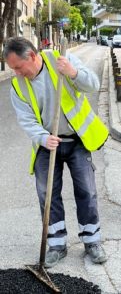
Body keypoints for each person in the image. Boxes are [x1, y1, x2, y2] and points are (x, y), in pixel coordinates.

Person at [3, 37, 109, 267]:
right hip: (47, 143)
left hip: (76, 139)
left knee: (86, 191)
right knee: (48, 195)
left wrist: (72, 73)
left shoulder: (61, 60)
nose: (17, 73)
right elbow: (26, 118)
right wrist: (42, 137)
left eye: (18, 67)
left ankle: (92, 241)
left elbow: (92, 84)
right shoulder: (18, 85)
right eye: (13, 69)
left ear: (32, 56)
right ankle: (57, 244)